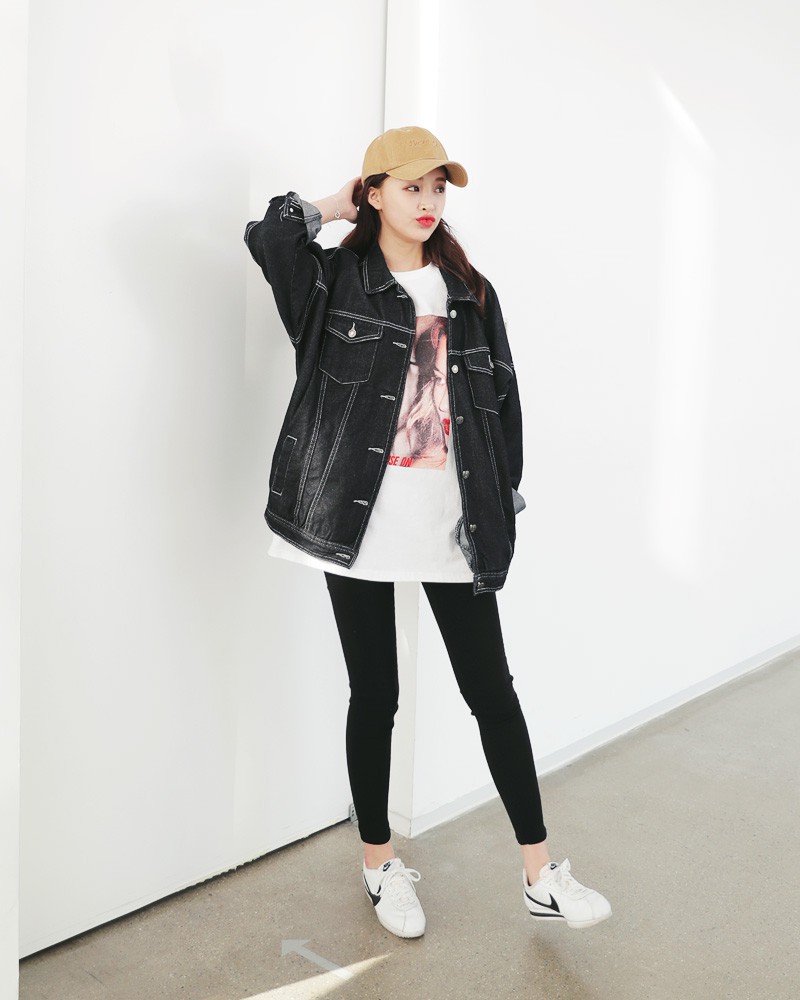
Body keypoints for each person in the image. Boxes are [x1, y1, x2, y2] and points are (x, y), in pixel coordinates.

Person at [243, 126, 612, 937]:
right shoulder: (333, 281)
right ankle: (379, 865)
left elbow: (503, 406)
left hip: (453, 521)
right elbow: (269, 236)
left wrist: (501, 505)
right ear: (375, 192)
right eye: (410, 186)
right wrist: (341, 202)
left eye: (438, 187)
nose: (428, 202)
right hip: (356, 519)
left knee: (493, 694)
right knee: (376, 694)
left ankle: (540, 873)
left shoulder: (471, 293)